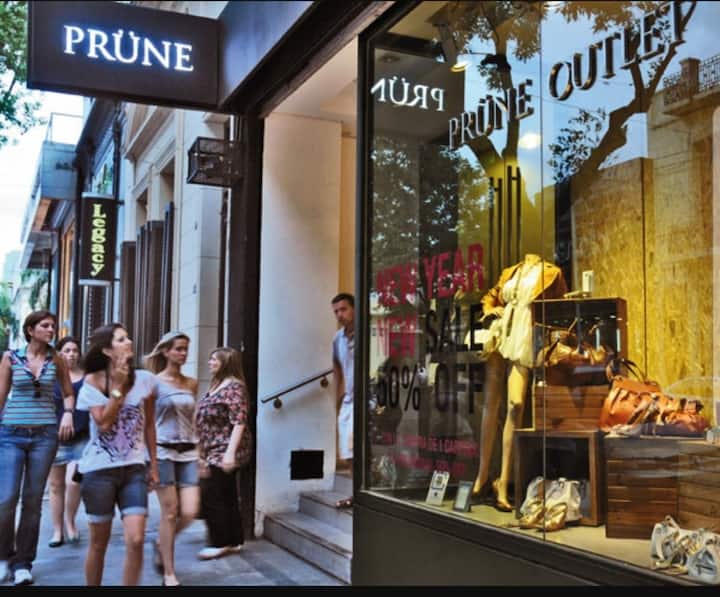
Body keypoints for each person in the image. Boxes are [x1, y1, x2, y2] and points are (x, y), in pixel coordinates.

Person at [472, 254, 567, 511]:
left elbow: (559, 310)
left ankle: (503, 481)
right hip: (500, 334)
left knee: (515, 405)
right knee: (491, 406)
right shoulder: (511, 271)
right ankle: (482, 475)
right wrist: (490, 309)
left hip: (525, 338)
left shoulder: (552, 272)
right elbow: (490, 297)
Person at [76, 323, 158, 586]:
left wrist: (153, 465)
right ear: (107, 350)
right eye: (121, 339)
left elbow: (149, 425)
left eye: (128, 337)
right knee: (99, 543)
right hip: (98, 472)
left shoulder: (145, 380)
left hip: (134, 469)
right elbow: (104, 423)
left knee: (136, 539)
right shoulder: (92, 381)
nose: (129, 341)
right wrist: (119, 388)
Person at [0, 310, 75, 586]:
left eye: (53, 325)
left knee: (32, 501)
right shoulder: (10, 358)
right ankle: (3, 557)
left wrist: (68, 414)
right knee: (6, 499)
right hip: (10, 434)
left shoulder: (57, 359)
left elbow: (68, 392)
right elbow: (0, 396)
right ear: (30, 330)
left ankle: (23, 563)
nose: (51, 329)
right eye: (45, 325)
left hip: (44, 436)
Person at [144, 331, 199, 587]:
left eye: (186, 349)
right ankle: (169, 572)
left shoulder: (191, 383)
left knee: (190, 511)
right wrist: (150, 462)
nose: (183, 353)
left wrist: (202, 454)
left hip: (189, 451)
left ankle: (160, 542)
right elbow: (147, 423)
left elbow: (194, 420)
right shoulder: (153, 383)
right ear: (166, 351)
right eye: (178, 349)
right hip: (163, 451)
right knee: (170, 513)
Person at [195, 347, 252, 561]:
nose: (210, 363)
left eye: (214, 360)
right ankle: (234, 539)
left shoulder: (234, 387)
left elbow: (239, 421)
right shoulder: (216, 385)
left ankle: (219, 542)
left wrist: (230, 453)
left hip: (225, 448)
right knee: (226, 492)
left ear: (226, 363)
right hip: (212, 447)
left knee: (212, 493)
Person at [48, 336, 89, 548]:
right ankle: (57, 531)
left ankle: (70, 522)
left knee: (74, 482)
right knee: (56, 486)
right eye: (67, 350)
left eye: (75, 350)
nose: (71, 354)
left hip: (82, 437)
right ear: (59, 354)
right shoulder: (50, 377)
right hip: (55, 439)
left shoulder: (87, 377)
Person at [331, 292, 354, 508]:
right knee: (346, 451)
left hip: (367, 399)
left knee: (355, 448)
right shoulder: (338, 338)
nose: (340, 314)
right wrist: (337, 400)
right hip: (349, 399)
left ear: (354, 309)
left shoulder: (366, 333)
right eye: (336, 311)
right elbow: (337, 370)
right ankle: (357, 492)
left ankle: (359, 494)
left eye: (344, 309)